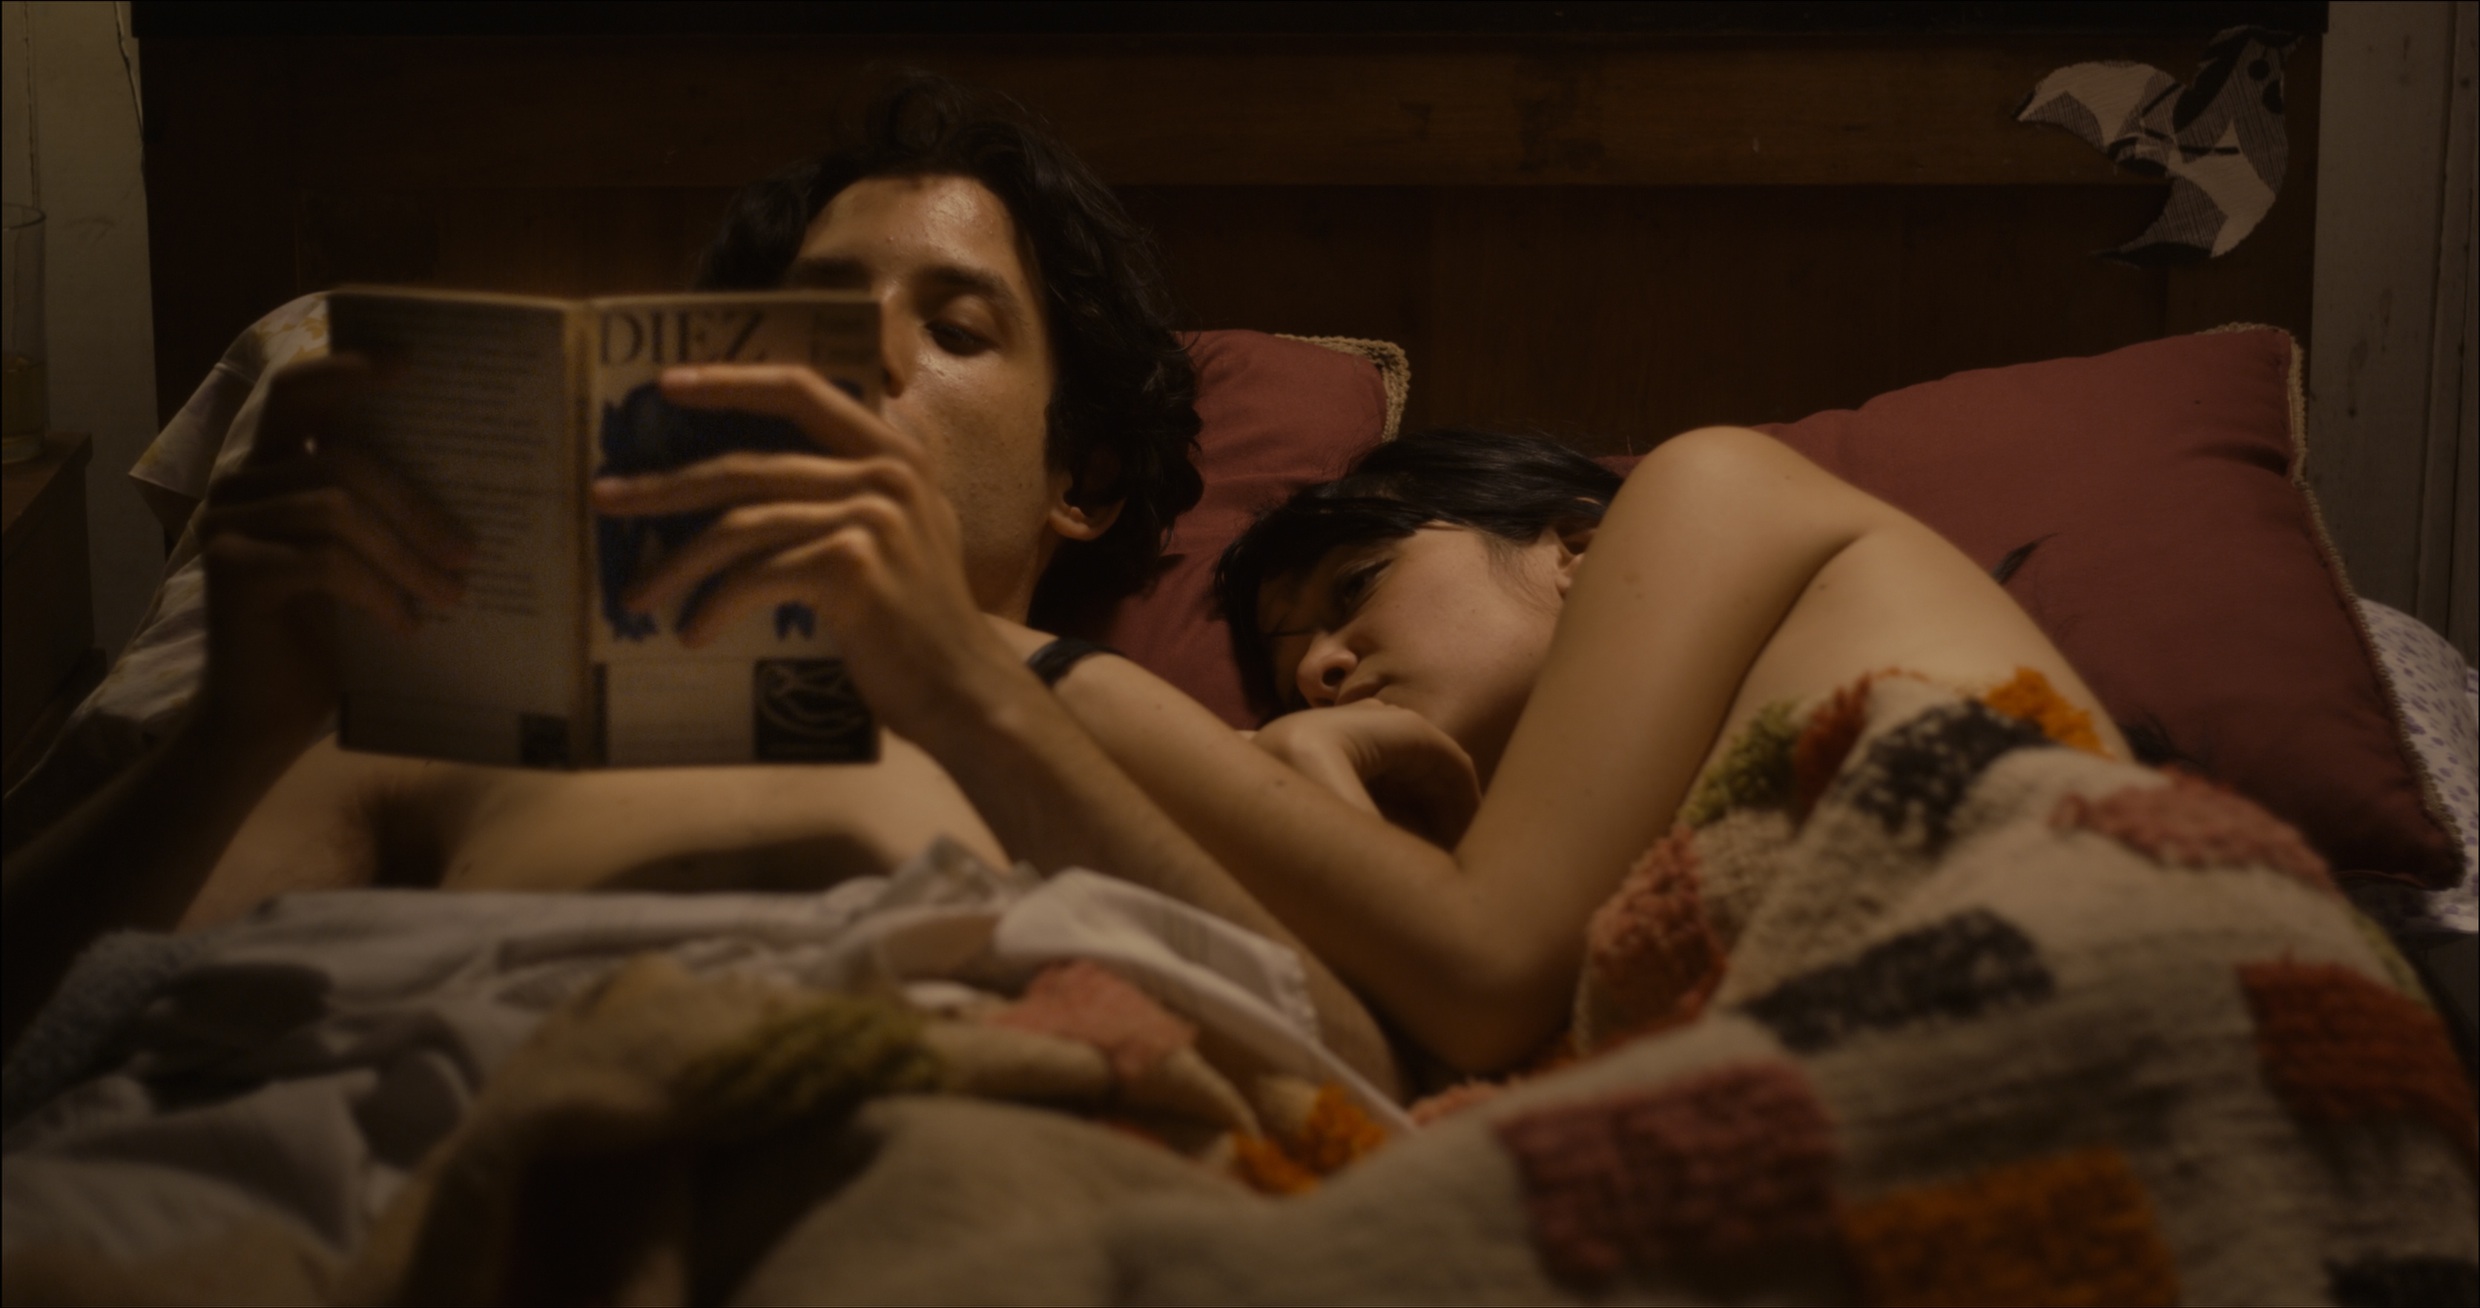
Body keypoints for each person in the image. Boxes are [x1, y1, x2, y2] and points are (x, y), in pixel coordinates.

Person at [0, 73, 1399, 1091]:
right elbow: (50, 1034)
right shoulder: (471, 716)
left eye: (955, 330)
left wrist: (964, 684)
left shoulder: (1081, 716)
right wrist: (233, 730)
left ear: (1074, 483)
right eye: (813, 319)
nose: (864, 362)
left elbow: (1345, 1077)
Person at [999, 427, 2131, 1073]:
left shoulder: (1713, 483)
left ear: (1578, 548)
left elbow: (1481, 978)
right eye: (1289, 663)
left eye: (1356, 589)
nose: (1318, 672)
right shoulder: (1553, 872)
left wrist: (1018, 668)